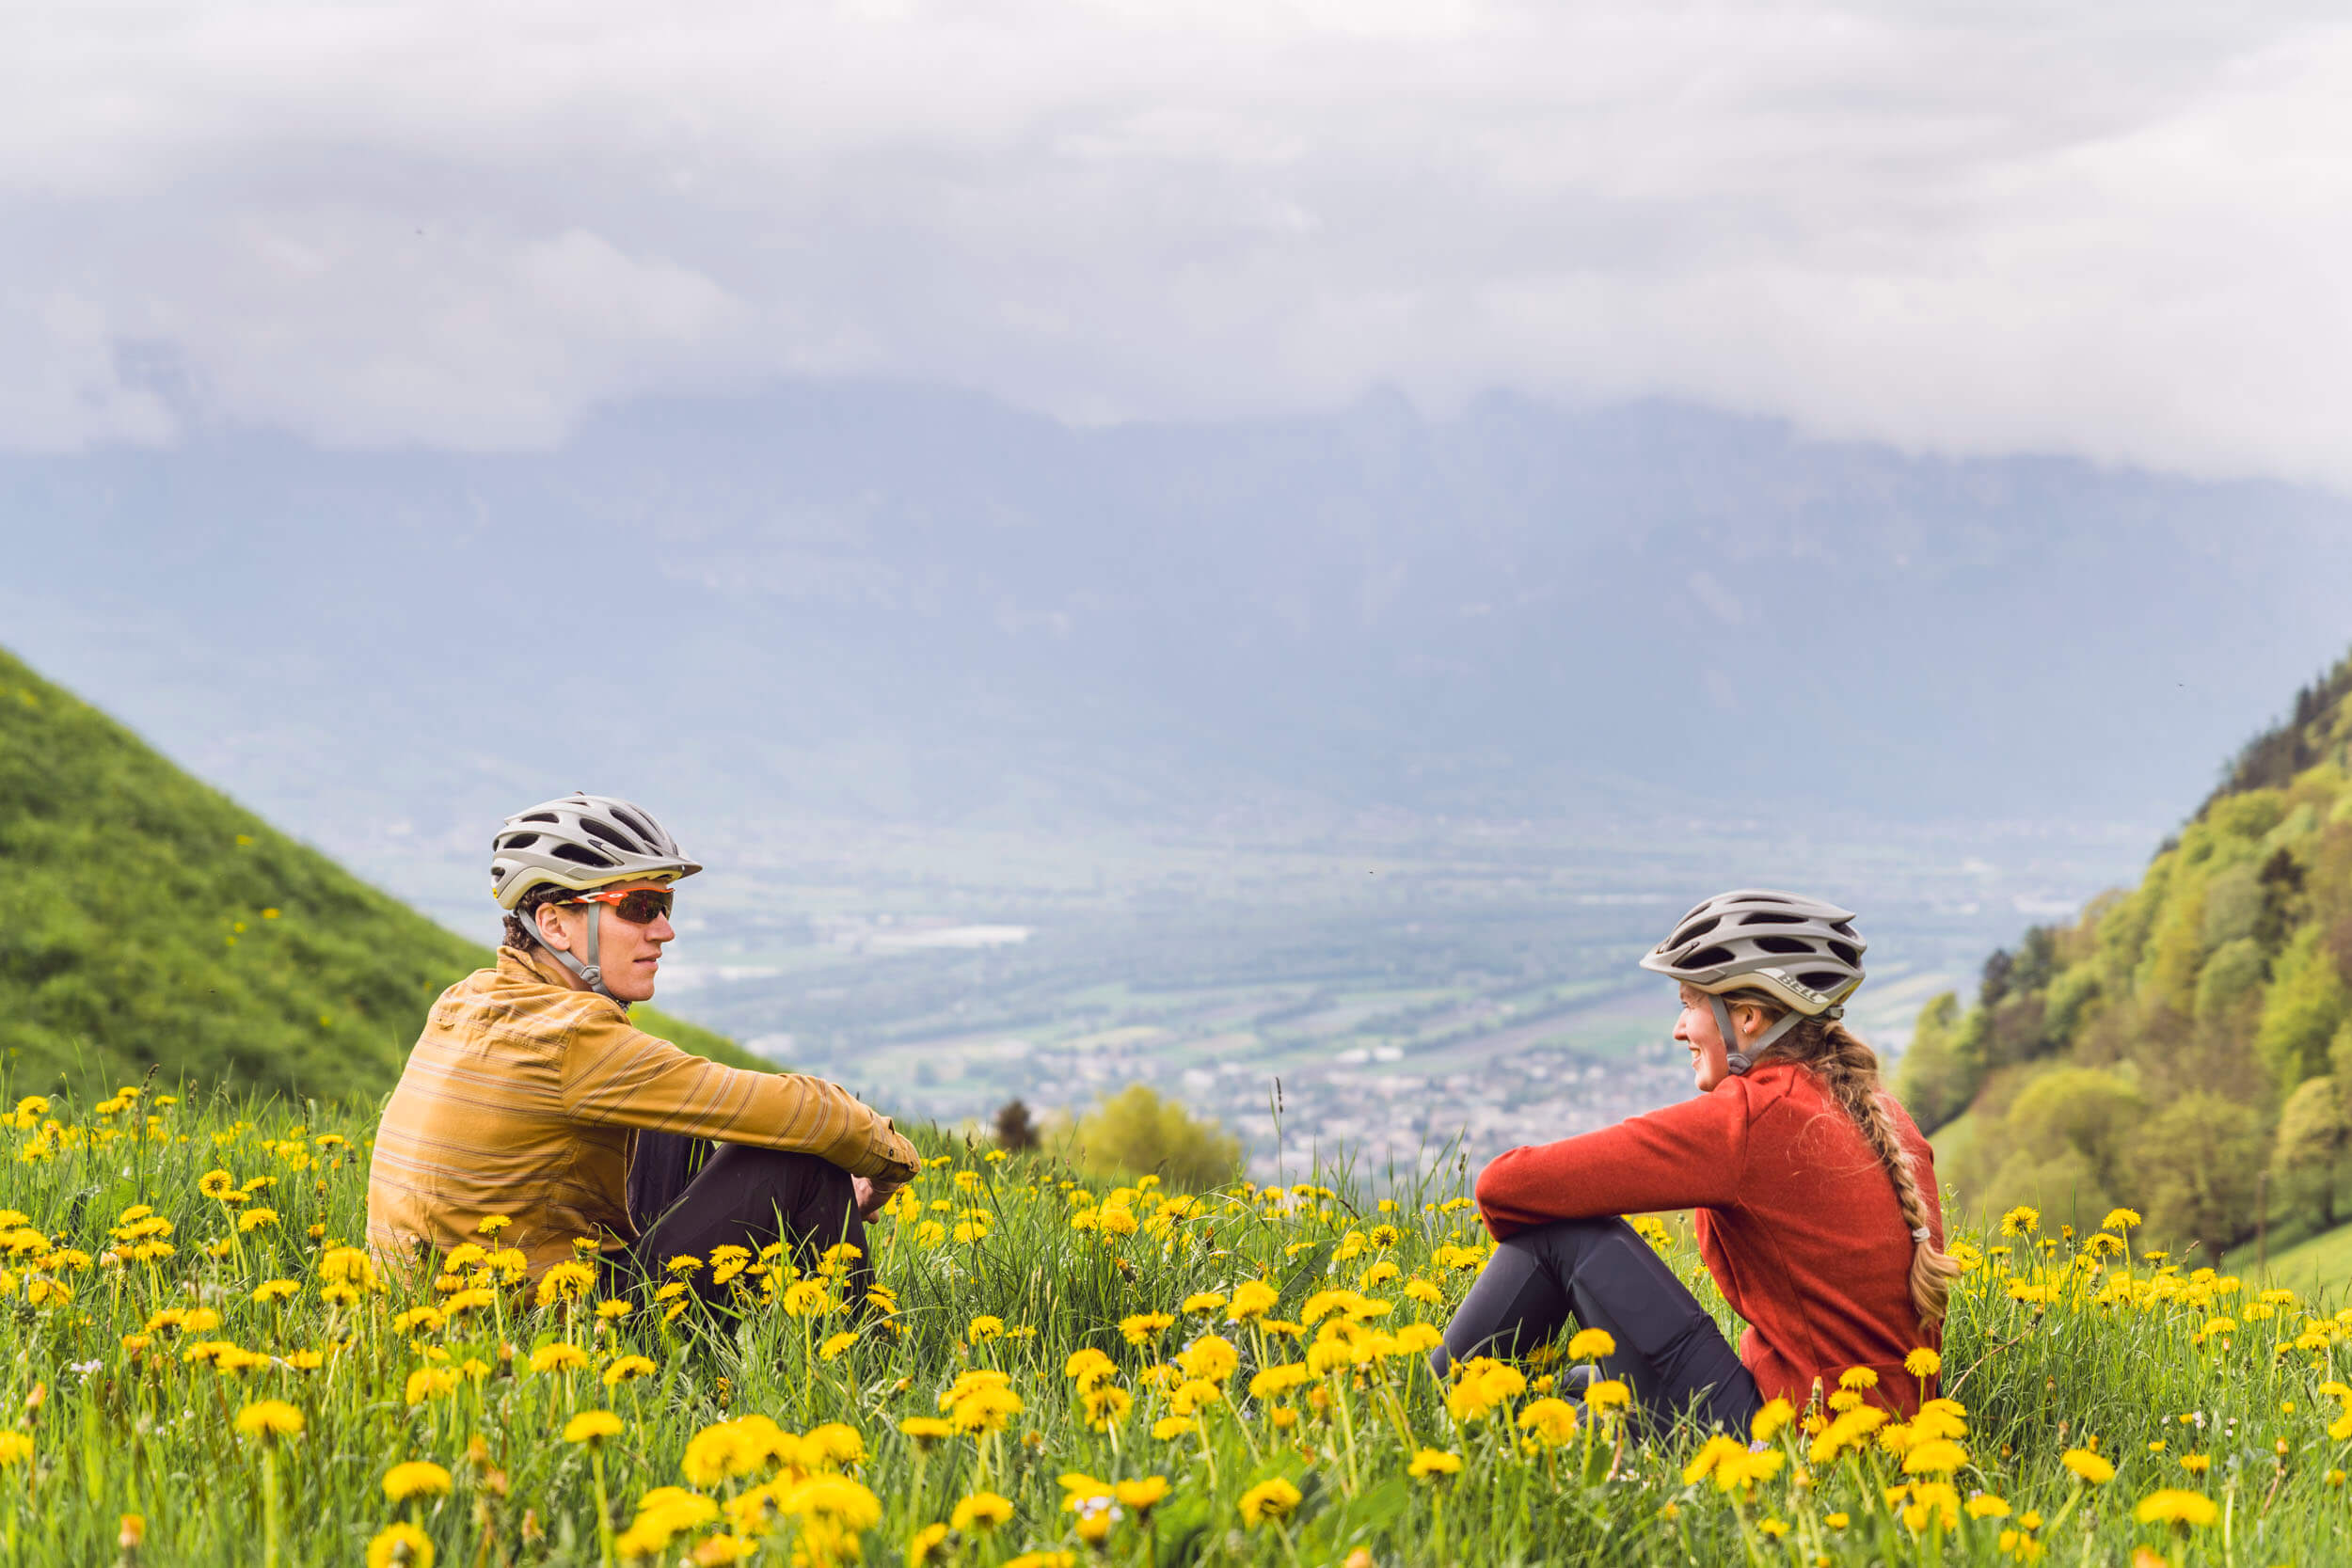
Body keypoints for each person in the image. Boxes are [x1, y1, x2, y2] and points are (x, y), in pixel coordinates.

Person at [1435, 889, 1957, 1432]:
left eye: (1689, 1005)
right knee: (1582, 1383)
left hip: (1791, 1436)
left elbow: (1504, 1186)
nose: (1679, 1029)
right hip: (1889, 1431)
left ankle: (1435, 1406)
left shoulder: (1754, 1118)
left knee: (1561, 1234)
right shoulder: (1881, 1114)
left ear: (1748, 1016)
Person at [366, 792, 920, 1298]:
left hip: (447, 1306)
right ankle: (864, 1356)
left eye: (665, 905)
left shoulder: (465, 999)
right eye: (637, 906)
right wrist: (887, 1169)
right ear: (554, 924)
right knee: (800, 1154)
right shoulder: (572, 1039)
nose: (663, 930)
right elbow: (818, 1115)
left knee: (673, 1120)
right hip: (550, 1330)